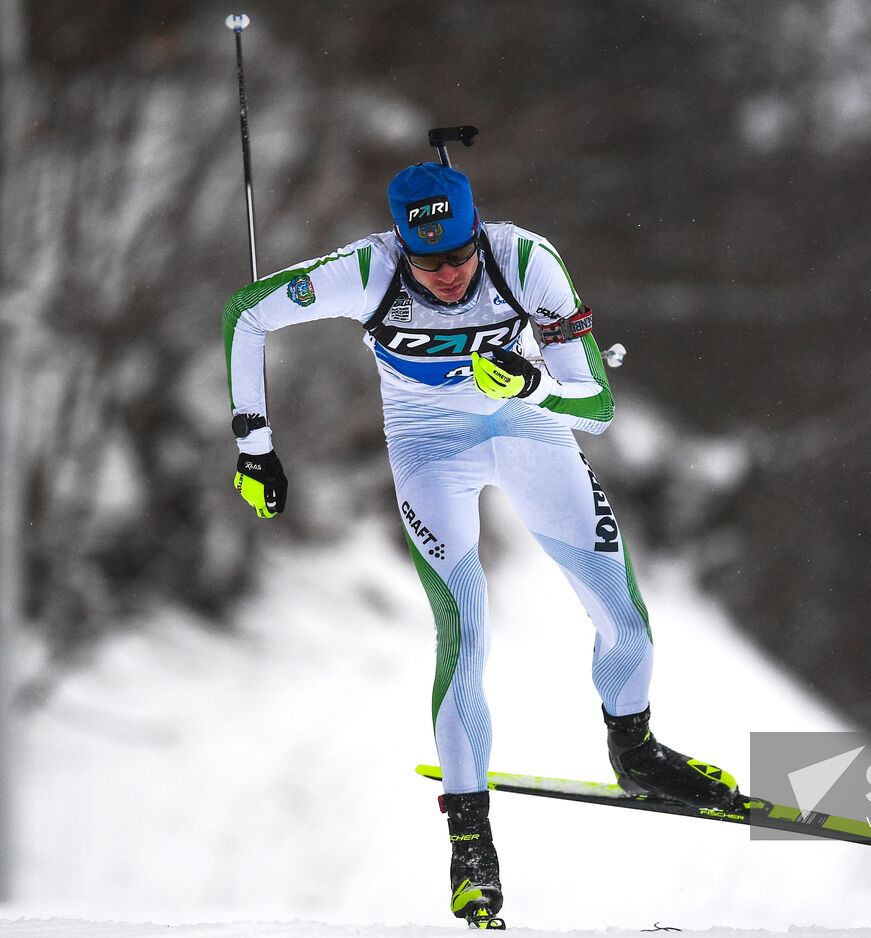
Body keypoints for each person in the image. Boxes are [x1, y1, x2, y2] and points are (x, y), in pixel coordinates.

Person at [222, 161, 737, 925]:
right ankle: (471, 847)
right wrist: (254, 445)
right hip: (430, 450)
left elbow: (594, 404)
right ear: (402, 244)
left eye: (460, 256)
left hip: (531, 431)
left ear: (476, 231)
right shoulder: (365, 270)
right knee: (463, 636)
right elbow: (247, 312)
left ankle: (636, 753)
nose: (450, 277)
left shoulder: (526, 260)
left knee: (623, 616)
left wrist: (530, 385)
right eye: (429, 264)